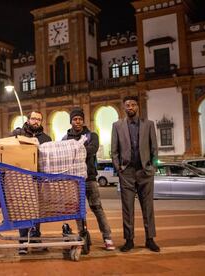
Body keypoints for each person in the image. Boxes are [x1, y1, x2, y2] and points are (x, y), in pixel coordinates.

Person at [111, 95, 160, 252]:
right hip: (127, 172)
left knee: (148, 207)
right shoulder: (117, 125)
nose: (130, 107)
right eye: (127, 105)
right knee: (127, 208)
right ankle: (129, 240)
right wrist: (119, 167)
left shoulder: (149, 124)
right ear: (124, 107)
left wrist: (153, 167)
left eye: (133, 104)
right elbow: (114, 150)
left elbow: (154, 149)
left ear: (138, 106)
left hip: (145, 171)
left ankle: (150, 239)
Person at [63, 107, 115, 251]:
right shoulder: (65, 138)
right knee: (78, 210)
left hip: (90, 178)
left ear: (83, 120)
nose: (77, 122)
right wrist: (80, 149)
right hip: (73, 179)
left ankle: (107, 237)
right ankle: (83, 235)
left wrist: (73, 151)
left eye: (80, 119)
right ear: (71, 121)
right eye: (75, 119)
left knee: (97, 207)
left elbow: (92, 149)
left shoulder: (92, 135)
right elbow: (63, 156)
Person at [13, 111, 52, 255]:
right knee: (23, 210)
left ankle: (35, 239)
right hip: (22, 178)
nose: (36, 121)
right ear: (28, 120)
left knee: (37, 210)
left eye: (39, 119)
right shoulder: (18, 134)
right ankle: (23, 241)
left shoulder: (46, 138)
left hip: (39, 178)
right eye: (33, 118)